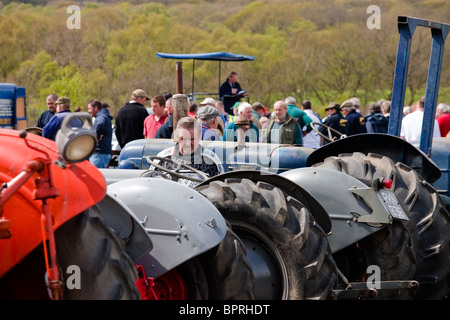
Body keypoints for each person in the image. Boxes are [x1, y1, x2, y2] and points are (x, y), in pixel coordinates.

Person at [155, 117, 224, 186]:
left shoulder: (211, 161)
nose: (187, 143)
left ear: (200, 137)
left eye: (192, 139)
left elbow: (219, 189)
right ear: (176, 137)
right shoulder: (162, 159)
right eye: (183, 138)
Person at [87, 99, 113, 168]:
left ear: (95, 108)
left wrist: (96, 137)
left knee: (95, 177)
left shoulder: (100, 116)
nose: (88, 111)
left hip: (99, 154)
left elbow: (100, 123)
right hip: (102, 154)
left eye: (90, 108)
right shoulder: (103, 115)